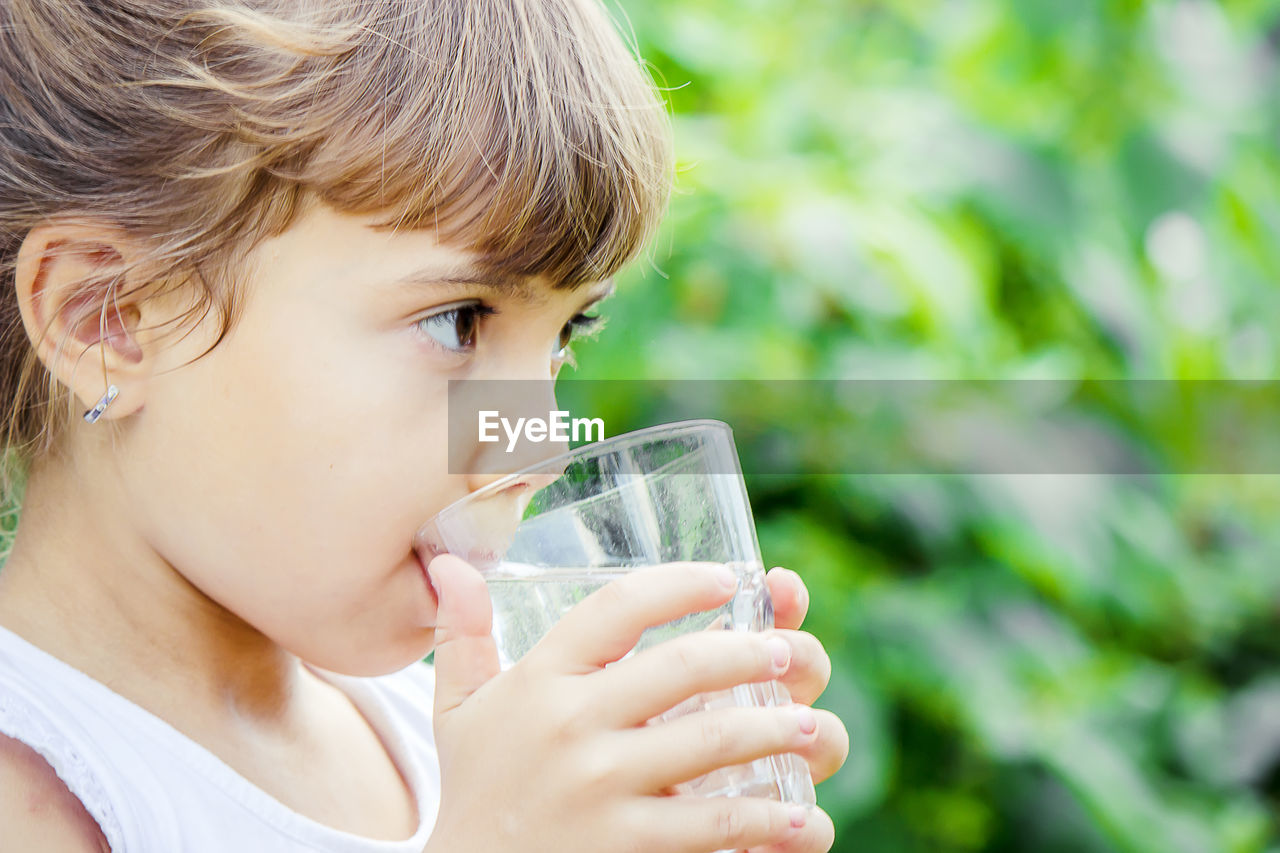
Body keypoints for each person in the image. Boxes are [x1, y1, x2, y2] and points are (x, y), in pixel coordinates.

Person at [0, 1, 850, 851]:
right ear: (105, 317)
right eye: (456, 322)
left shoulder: (443, 735)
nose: (539, 445)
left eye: (565, 336)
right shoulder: (34, 792)